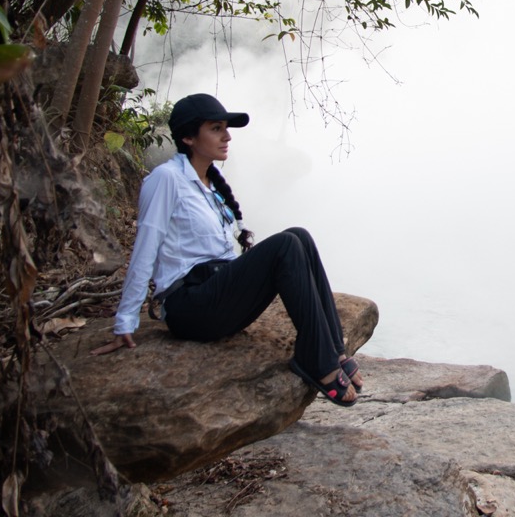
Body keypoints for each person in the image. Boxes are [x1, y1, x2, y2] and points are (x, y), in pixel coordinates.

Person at [90, 93, 362, 406]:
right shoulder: (166, 179)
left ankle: (332, 350)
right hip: (190, 308)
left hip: (216, 295)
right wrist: (125, 321)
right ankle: (317, 360)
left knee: (299, 236)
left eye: (225, 128)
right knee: (285, 245)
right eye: (216, 128)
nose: (227, 136)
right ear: (189, 137)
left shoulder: (209, 186)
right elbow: (145, 249)